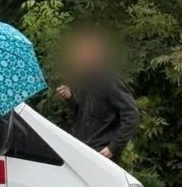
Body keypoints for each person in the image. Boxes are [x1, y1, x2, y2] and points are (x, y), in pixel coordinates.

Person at [55, 27, 140, 162]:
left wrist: (113, 148)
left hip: (100, 153)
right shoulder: (85, 79)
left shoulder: (109, 79)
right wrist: (70, 98)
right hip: (82, 148)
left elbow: (131, 114)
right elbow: (83, 113)